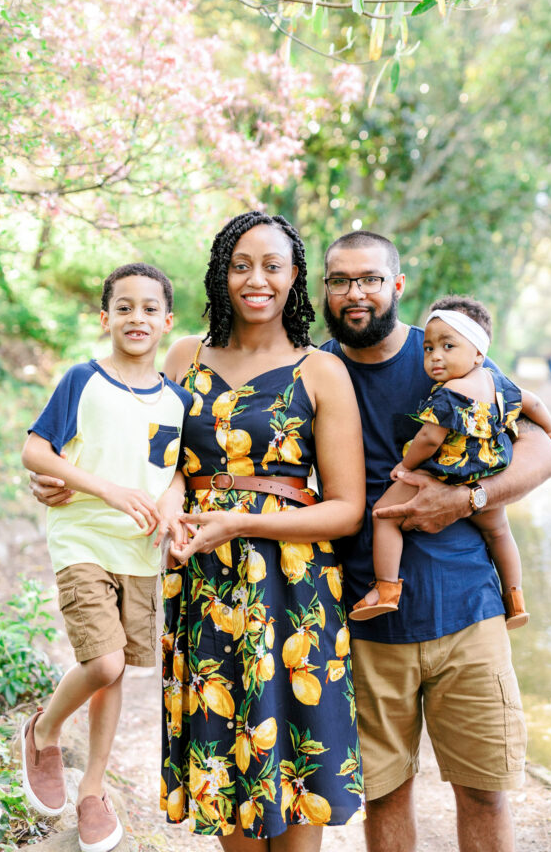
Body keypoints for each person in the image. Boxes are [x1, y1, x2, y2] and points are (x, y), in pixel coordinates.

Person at [320, 230, 551, 852]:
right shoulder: (315, 370)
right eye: (340, 280)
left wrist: (469, 498)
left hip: (467, 611)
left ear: (396, 286)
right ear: (325, 291)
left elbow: (542, 451)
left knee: (484, 789)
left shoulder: (449, 353)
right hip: (368, 619)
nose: (356, 293)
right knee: (386, 793)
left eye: (370, 278)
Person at [156, 211, 366, 849]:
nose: (256, 280)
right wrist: (170, 499)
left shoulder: (320, 371)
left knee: (296, 774)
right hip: (206, 587)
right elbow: (158, 461)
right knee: (228, 778)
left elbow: (347, 509)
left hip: (294, 593)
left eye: (272, 266)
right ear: (221, 273)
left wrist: (241, 522)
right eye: (240, 264)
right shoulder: (183, 356)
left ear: (294, 276)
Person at [20, 263, 191, 852]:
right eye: (124, 307)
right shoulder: (83, 380)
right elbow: (35, 450)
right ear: (105, 317)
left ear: (168, 322)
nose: (136, 317)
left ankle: (93, 789)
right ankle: (43, 730)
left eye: (149, 308)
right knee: (106, 662)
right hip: (83, 540)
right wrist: (105, 488)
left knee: (116, 671)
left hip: (139, 552)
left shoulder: (177, 401)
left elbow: (175, 476)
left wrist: (171, 508)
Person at [349, 293, 551, 627]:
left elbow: (430, 438)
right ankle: (515, 598)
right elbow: (532, 403)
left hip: (448, 472)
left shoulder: (450, 394)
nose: (435, 357)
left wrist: (405, 467)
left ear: (478, 353)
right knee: (500, 532)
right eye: (429, 348)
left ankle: (387, 589)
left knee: (385, 517)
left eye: (448, 347)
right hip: (487, 471)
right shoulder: (498, 383)